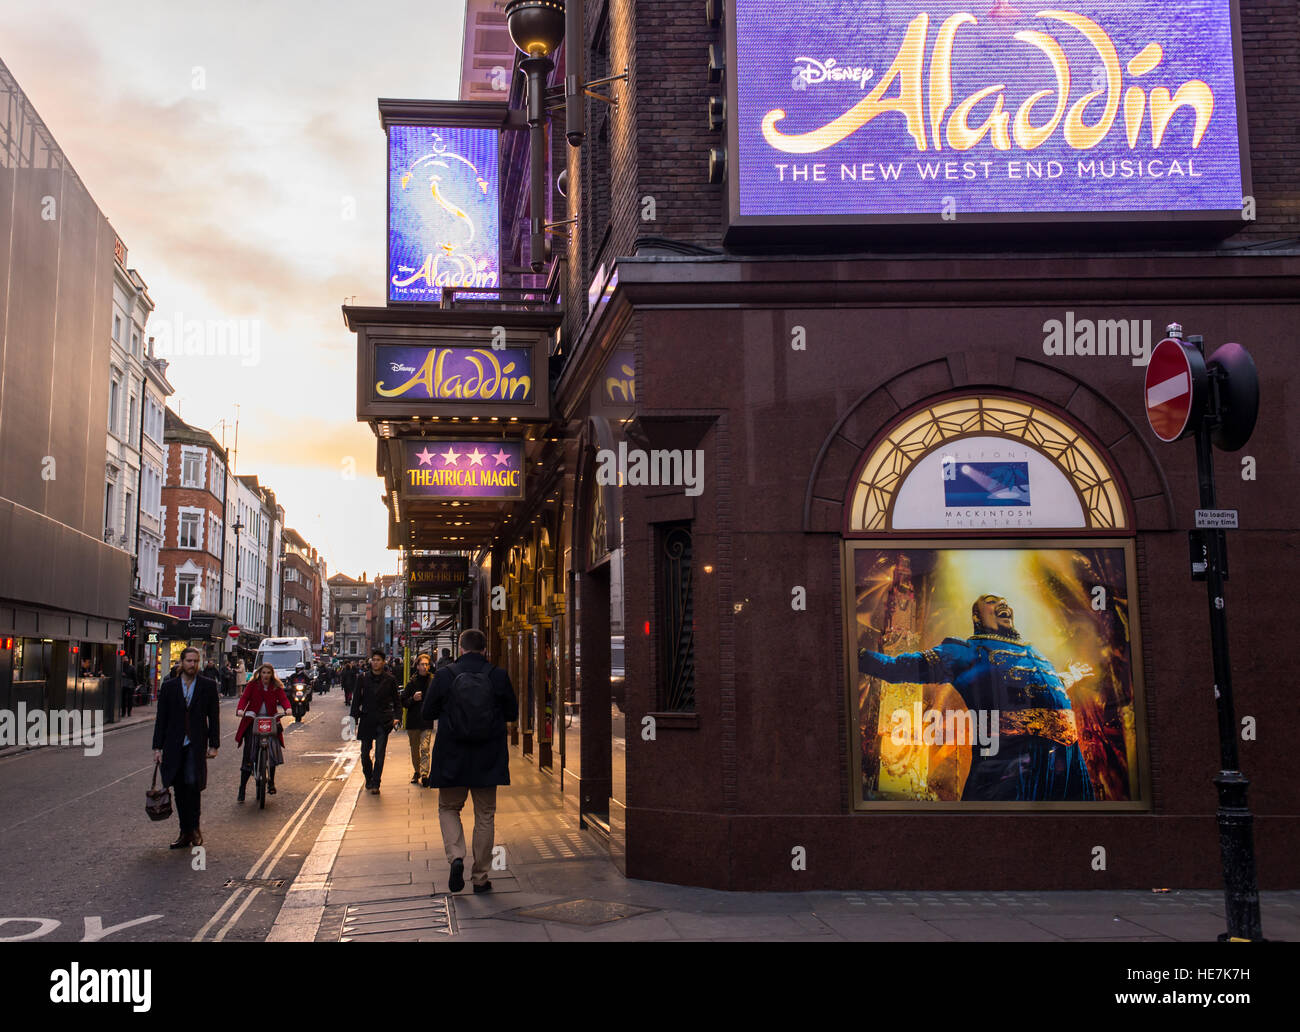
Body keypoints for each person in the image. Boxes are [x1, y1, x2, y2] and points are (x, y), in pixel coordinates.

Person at [857, 593, 1096, 802]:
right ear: (977, 617)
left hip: (1067, 760)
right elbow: (899, 667)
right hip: (1014, 761)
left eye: (1005, 602)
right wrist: (856, 655)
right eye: (991, 602)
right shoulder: (964, 652)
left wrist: (1070, 676)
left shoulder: (1034, 652)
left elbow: (1040, 688)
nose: (1003, 604)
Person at [422, 628, 517, 894]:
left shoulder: (444, 675)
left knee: (449, 808)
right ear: (485, 649)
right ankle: (480, 877)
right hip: (488, 756)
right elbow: (512, 712)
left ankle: (457, 857)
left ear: (461, 649)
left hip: (452, 755)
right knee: (485, 814)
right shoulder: (497, 675)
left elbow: (427, 711)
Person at [152, 647, 220, 848]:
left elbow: (213, 717)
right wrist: (157, 748)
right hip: (174, 745)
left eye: (196, 661)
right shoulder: (169, 687)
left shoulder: (208, 686)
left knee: (193, 785)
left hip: (195, 744)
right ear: (182, 662)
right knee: (179, 788)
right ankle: (185, 831)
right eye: (189, 661)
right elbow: (161, 719)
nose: (193, 665)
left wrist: (214, 744)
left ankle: (195, 828)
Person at [234, 663, 291, 801]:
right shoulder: (253, 685)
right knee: (248, 754)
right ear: (260, 673)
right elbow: (244, 698)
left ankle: (271, 782)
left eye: (268, 673)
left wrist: (287, 708)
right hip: (253, 720)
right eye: (264, 673)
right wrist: (241, 710)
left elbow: (283, 699)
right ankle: (242, 788)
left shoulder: (275, 687)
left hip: (270, 721)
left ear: (272, 675)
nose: (266, 675)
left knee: (272, 751)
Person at [350, 649, 400, 794]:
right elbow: (356, 701)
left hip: (383, 721)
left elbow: (397, 701)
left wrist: (397, 717)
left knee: (380, 754)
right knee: (365, 754)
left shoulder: (390, 679)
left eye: (378, 660)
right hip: (366, 719)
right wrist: (353, 720)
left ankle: (376, 783)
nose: (376, 662)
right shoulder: (362, 678)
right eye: (374, 659)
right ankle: (369, 777)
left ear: (383, 662)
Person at [400, 653, 435, 786]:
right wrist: (412, 699)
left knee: (425, 748)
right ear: (417, 666)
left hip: (426, 720)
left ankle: (425, 774)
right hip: (413, 720)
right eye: (422, 664)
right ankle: (417, 771)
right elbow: (403, 701)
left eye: (426, 664)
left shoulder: (433, 680)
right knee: (414, 749)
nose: (425, 667)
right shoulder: (412, 682)